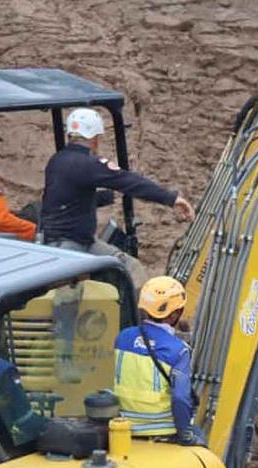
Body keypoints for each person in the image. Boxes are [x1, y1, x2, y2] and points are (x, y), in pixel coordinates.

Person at [40, 108, 195, 289]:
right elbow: (129, 181)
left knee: (129, 267)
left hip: (76, 241)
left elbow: (67, 196)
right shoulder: (87, 164)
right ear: (94, 138)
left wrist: (104, 197)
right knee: (72, 298)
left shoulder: (57, 160)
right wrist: (172, 198)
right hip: (70, 247)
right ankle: (142, 314)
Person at [112, 276, 205, 445]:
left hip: (123, 427)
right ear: (175, 314)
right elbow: (180, 399)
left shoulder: (122, 338)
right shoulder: (178, 350)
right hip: (161, 429)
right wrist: (185, 435)